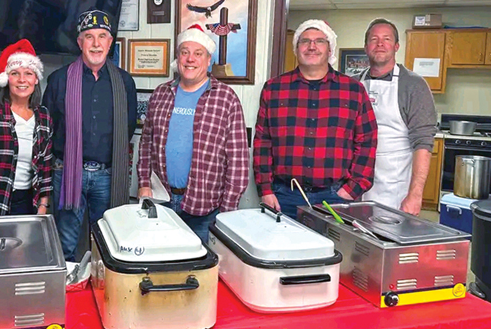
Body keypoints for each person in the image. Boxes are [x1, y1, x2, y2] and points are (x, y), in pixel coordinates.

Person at [254, 19, 378, 219]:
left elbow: (367, 141)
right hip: (284, 196)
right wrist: (266, 189)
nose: (312, 46)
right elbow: (263, 142)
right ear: (296, 49)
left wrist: (351, 190)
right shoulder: (274, 89)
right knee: (284, 250)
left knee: (334, 251)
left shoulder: (353, 90)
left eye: (319, 41)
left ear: (330, 50)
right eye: (305, 41)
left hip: (335, 198)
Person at [137, 24, 250, 242]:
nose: (190, 59)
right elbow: (146, 144)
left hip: (206, 210)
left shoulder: (226, 99)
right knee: (161, 267)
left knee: (201, 273)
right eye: (185, 52)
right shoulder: (161, 93)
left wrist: (226, 211)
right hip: (161, 202)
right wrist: (143, 184)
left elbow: (238, 162)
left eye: (198, 53)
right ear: (178, 57)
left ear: (208, 61)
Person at [42, 9, 137, 262]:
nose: (96, 43)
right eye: (89, 36)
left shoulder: (124, 83)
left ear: (110, 42)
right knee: (66, 243)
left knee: (109, 243)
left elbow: (127, 129)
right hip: (67, 173)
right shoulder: (59, 80)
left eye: (102, 36)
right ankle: (69, 293)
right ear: (79, 42)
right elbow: (47, 130)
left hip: (108, 176)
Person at [357, 18, 438, 215]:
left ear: (396, 46)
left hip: (395, 187)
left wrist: (415, 195)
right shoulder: (354, 84)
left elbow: (423, 144)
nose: (380, 44)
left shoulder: (414, 85)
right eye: (374, 39)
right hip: (356, 185)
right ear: (366, 47)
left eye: (386, 39)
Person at [0, 39, 53, 216]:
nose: (22, 80)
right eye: (15, 73)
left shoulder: (44, 116)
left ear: (36, 79)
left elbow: (45, 167)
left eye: (28, 73)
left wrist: (43, 206)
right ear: (7, 79)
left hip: (29, 202)